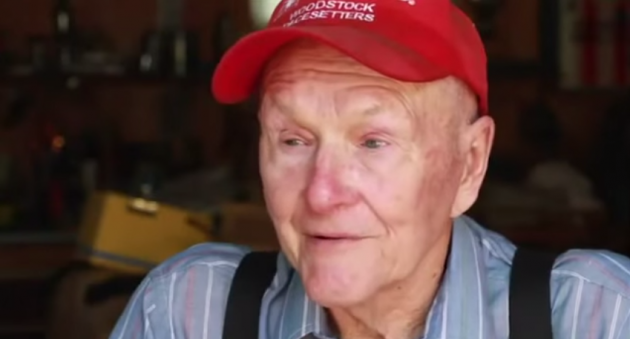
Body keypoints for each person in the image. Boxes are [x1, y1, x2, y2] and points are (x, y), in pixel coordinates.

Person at [110, 0, 630, 338]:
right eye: (292, 139)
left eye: (374, 141)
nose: (321, 194)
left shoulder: (597, 317)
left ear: (469, 164)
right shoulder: (188, 315)